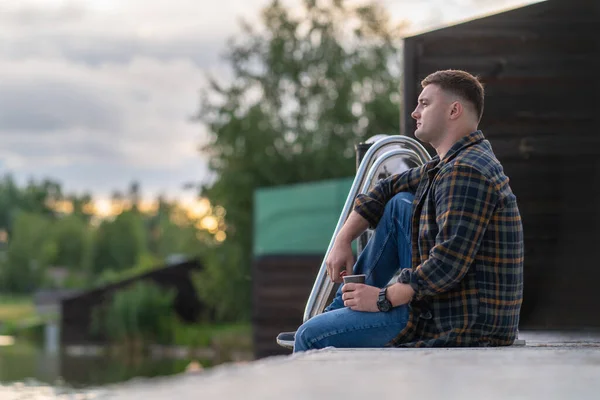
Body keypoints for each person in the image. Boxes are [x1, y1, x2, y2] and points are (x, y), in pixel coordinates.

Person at [290, 69, 524, 352]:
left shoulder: (466, 171)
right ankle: (340, 311)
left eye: (425, 104)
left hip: (459, 323)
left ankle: (335, 323)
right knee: (399, 205)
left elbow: (447, 265)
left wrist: (381, 299)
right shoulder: (449, 164)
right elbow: (386, 188)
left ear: (454, 110)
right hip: (443, 306)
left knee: (309, 336)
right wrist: (342, 240)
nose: (415, 112)